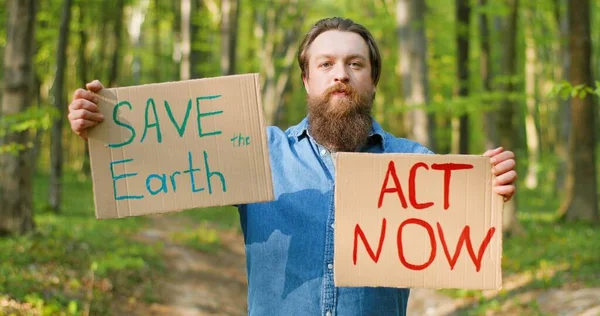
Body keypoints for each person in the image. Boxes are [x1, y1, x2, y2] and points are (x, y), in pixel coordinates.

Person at [68, 17, 516, 316]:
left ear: (372, 80)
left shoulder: (415, 165)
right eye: (326, 64)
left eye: (355, 64)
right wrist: (104, 125)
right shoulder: (257, 151)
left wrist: (489, 186)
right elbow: (163, 153)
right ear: (307, 79)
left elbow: (462, 230)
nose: (340, 74)